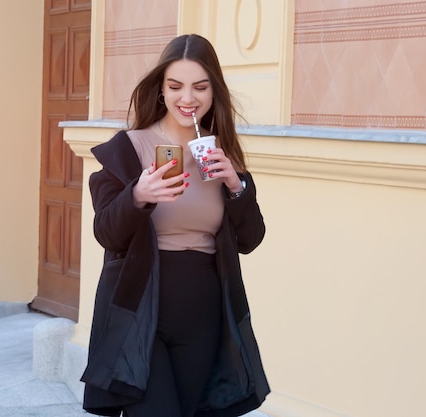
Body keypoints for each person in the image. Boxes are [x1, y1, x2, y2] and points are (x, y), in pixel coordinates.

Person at [81, 33, 269, 417]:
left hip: (203, 311)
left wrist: (236, 186)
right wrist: (138, 195)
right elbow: (107, 233)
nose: (188, 98)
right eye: (175, 86)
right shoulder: (129, 149)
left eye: (200, 87)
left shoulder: (221, 156)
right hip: (140, 310)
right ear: (161, 90)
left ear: (214, 91)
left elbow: (250, 239)